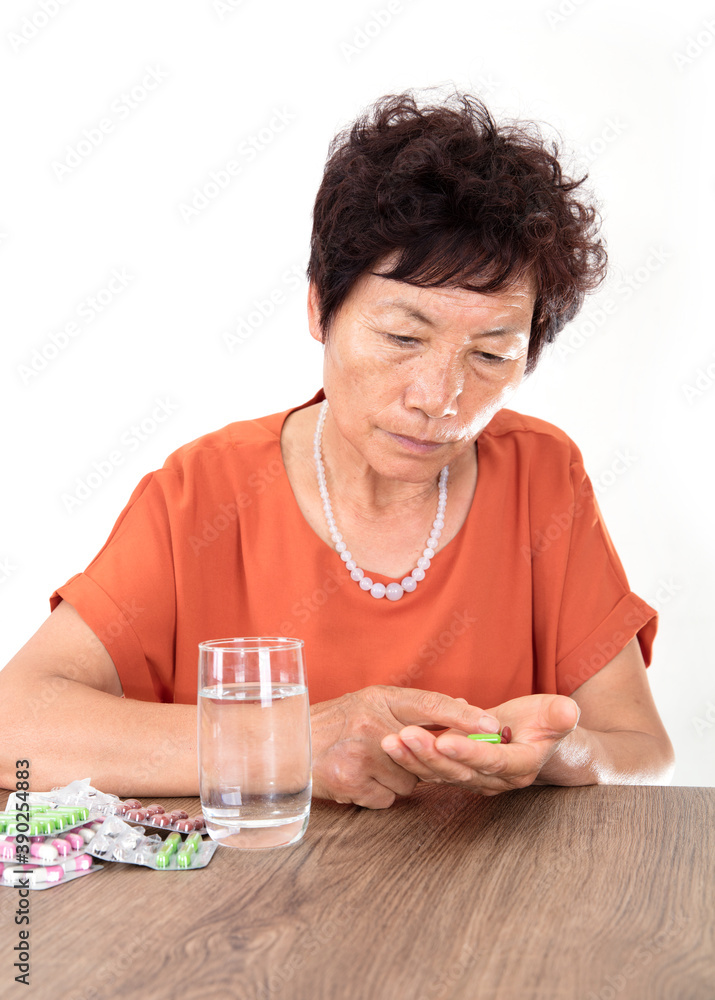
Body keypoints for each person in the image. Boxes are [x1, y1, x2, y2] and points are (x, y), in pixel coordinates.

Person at [0, 89, 674, 807]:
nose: (437, 397)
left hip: (484, 911)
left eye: (489, 354)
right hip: (231, 911)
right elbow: (16, 728)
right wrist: (294, 743)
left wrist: (556, 756)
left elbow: (643, 751)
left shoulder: (540, 474)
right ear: (321, 306)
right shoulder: (204, 491)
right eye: (402, 338)